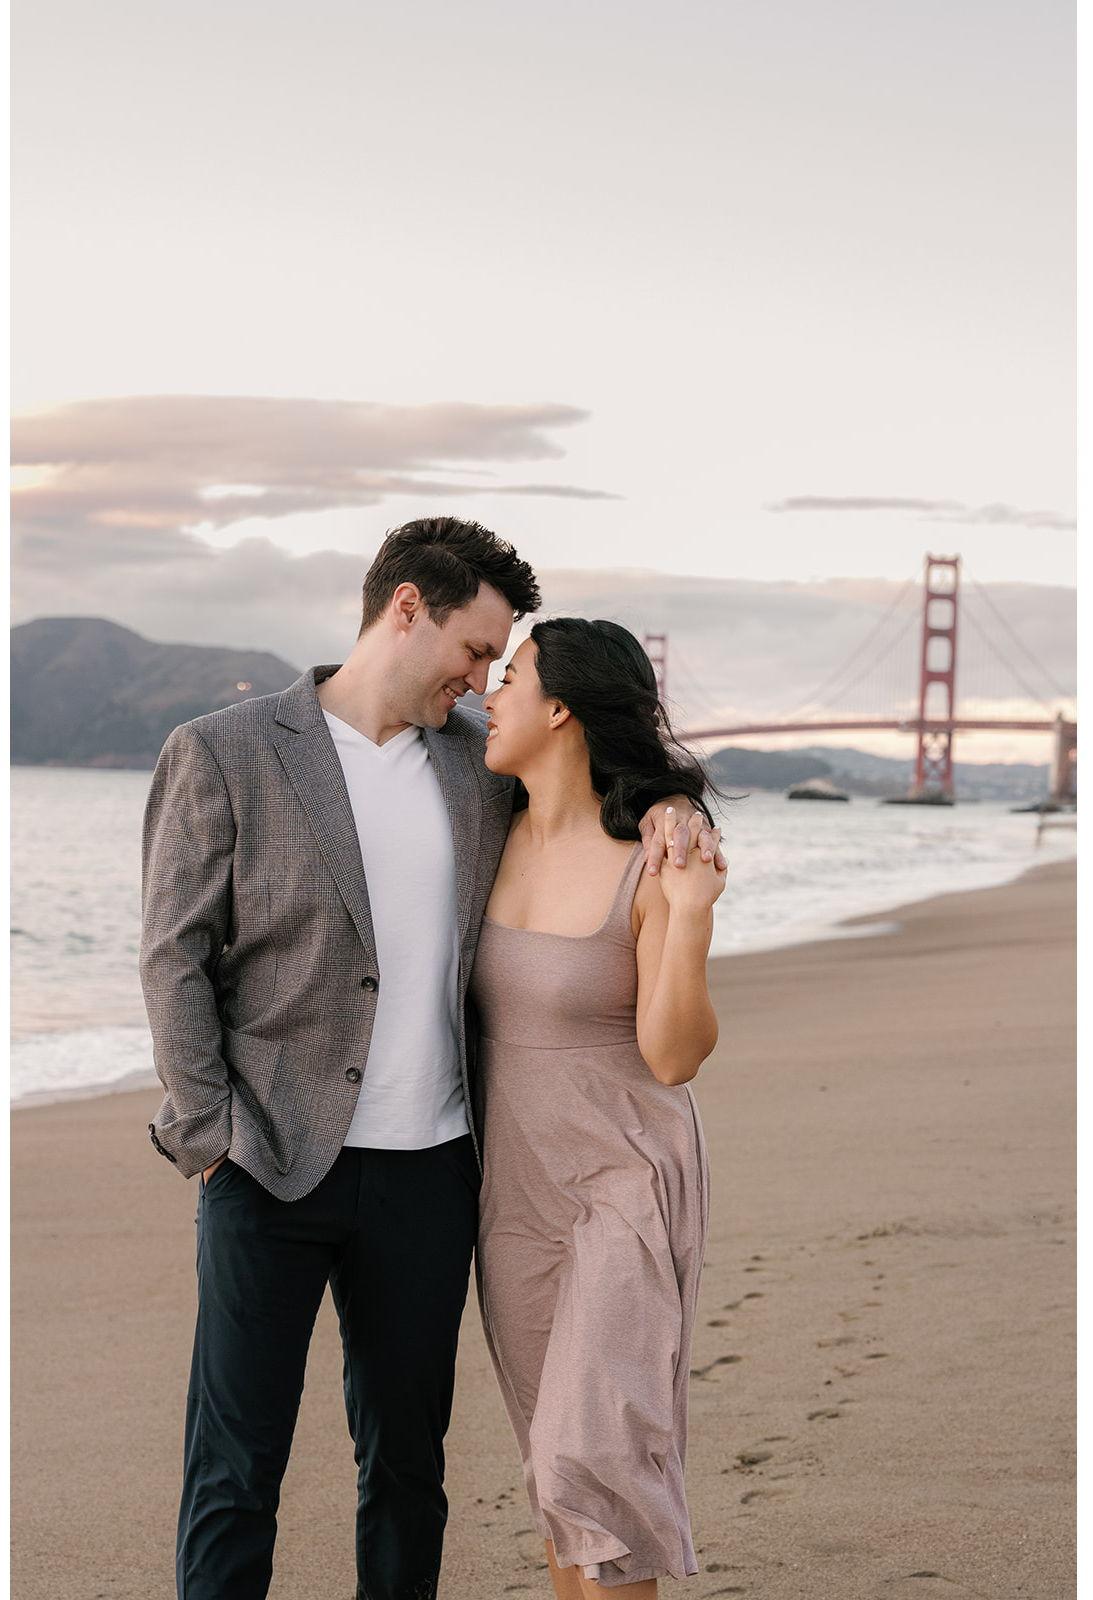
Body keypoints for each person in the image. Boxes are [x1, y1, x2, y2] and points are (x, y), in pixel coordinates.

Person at [139, 517, 724, 1600]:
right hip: (267, 1162)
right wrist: (207, 1133)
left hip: (435, 1172)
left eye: (500, 666)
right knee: (234, 1466)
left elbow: (596, 788)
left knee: (408, 1466)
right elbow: (174, 957)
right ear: (406, 608)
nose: (478, 677)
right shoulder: (222, 751)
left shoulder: (475, 764)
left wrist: (678, 808)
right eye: (472, 649)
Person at [472, 620, 725, 1596]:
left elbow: (672, 1053)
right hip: (514, 1195)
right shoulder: (482, 827)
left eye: (510, 677)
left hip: (624, 1182)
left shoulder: (653, 855)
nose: (488, 695)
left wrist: (691, 915)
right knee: (554, 1466)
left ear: (562, 707)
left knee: (599, 1462)